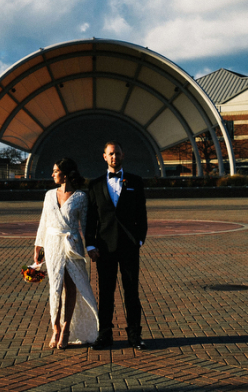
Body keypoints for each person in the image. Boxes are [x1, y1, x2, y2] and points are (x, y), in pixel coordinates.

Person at [84, 141, 148, 350]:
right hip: (104, 248)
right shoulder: (94, 185)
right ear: (104, 157)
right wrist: (90, 245)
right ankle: (104, 335)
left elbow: (141, 214)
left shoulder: (135, 182)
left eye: (117, 153)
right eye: (111, 154)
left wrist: (139, 239)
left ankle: (134, 335)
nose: (114, 157)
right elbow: (91, 218)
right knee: (106, 293)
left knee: (131, 292)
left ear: (123, 155)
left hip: (129, 246)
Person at [34, 157, 99, 349]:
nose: (52, 174)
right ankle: (55, 327)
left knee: (72, 287)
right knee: (55, 286)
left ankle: (66, 329)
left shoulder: (80, 197)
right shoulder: (48, 195)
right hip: (53, 243)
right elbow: (43, 223)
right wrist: (38, 247)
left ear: (65, 174)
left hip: (72, 245)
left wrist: (91, 247)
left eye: (55, 171)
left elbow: (86, 226)